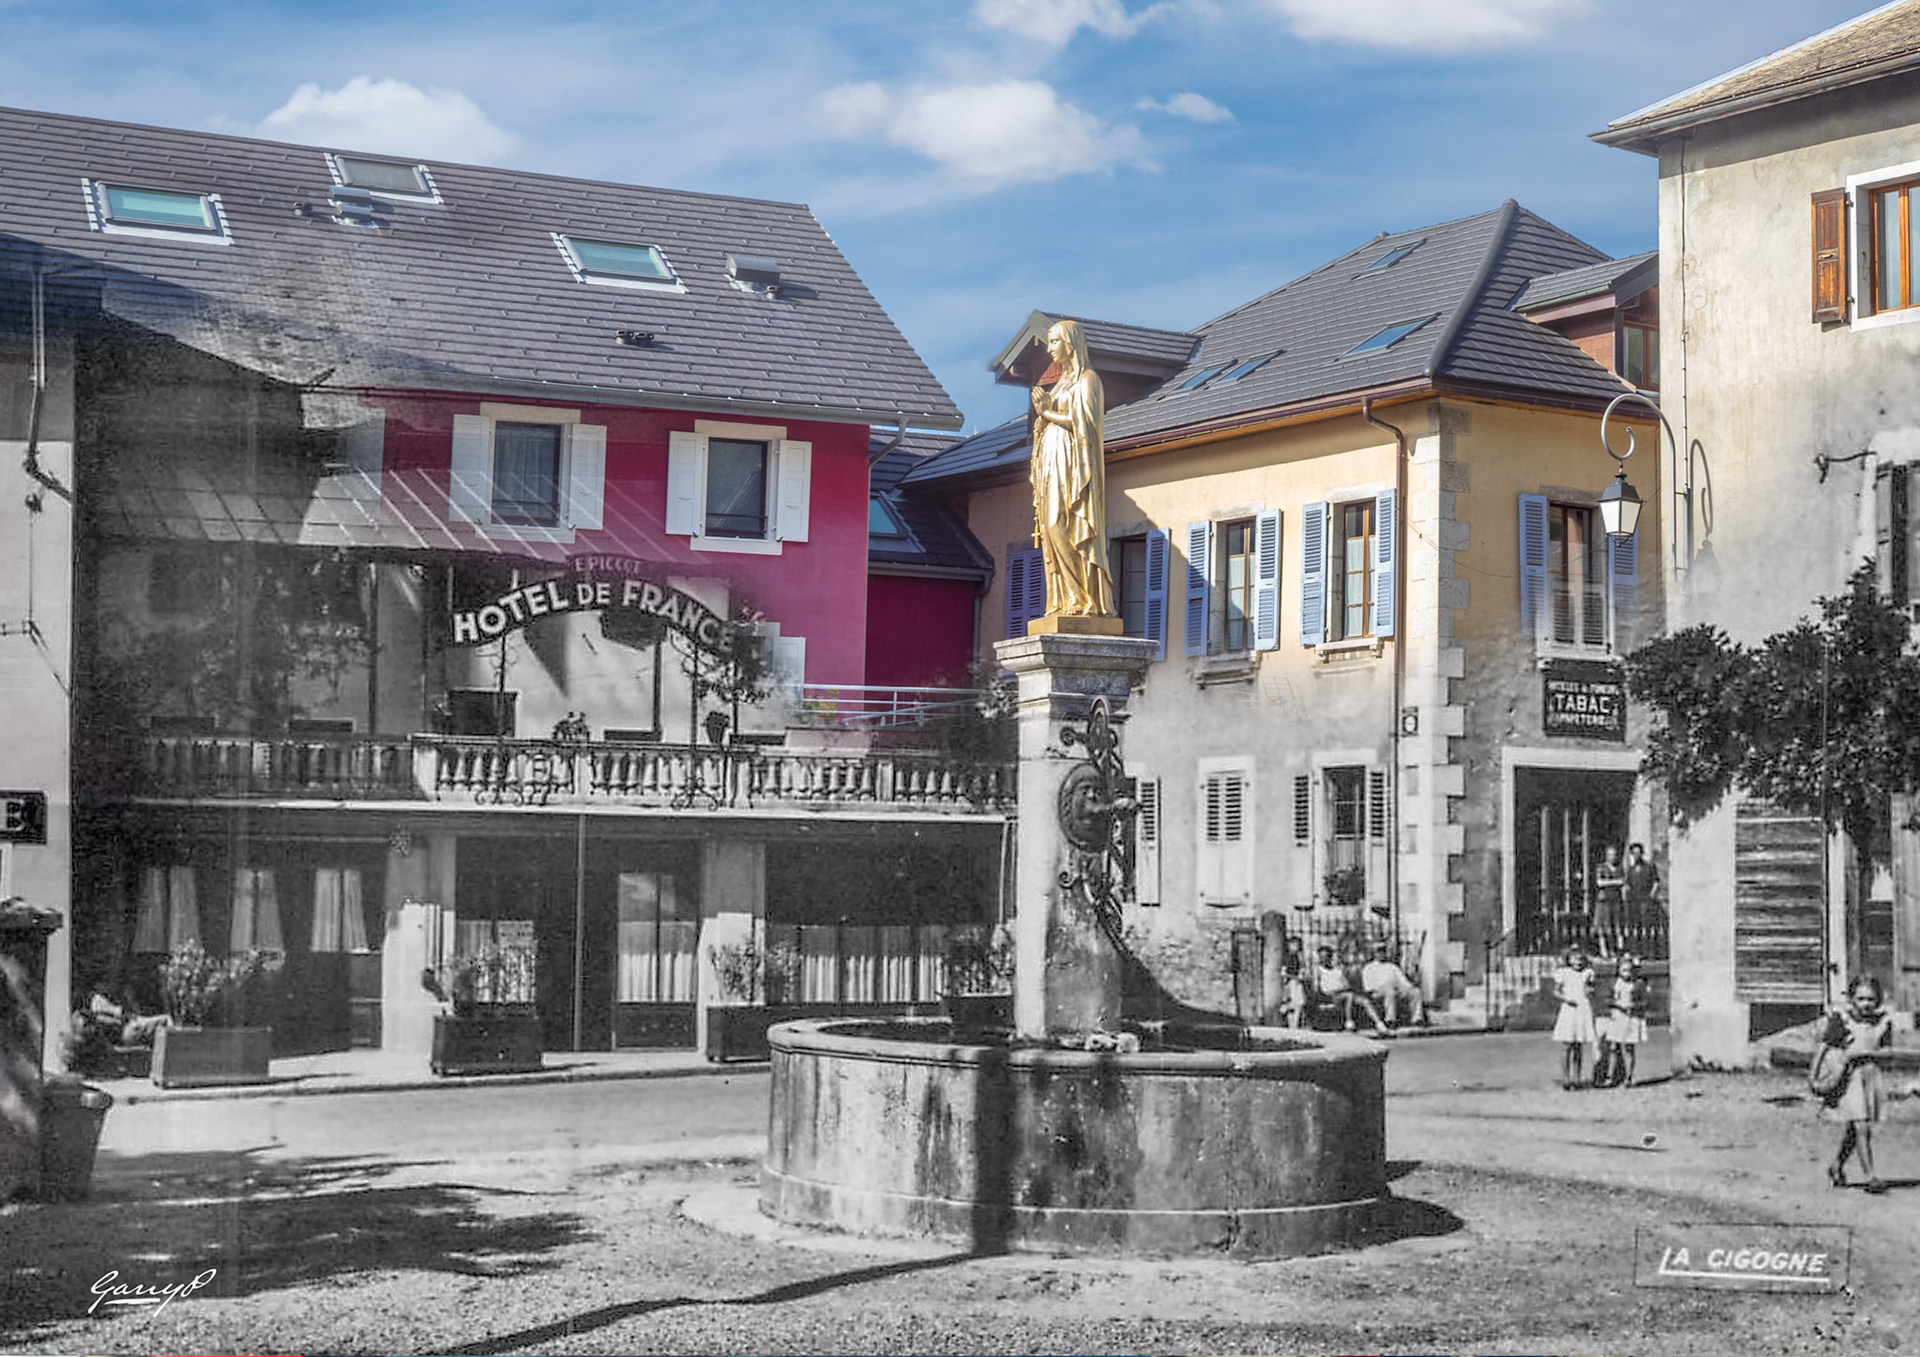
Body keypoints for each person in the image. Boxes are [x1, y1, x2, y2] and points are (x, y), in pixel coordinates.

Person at [1028, 319, 1115, 619]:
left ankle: (1083, 598)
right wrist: (1043, 419)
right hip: (1051, 456)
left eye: (1054, 342)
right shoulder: (1062, 382)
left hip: (1072, 460)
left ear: (1071, 342)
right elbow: (1050, 420)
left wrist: (1047, 411)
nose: (1050, 348)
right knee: (1050, 529)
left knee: (1060, 522)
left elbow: (1086, 427)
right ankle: (1065, 600)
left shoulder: (1088, 379)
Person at [1823, 975, 1895, 1192]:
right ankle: (1870, 1176)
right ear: (1851, 999)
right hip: (1849, 1077)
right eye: (1861, 998)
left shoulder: (1882, 1023)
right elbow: (1825, 1047)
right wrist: (1817, 1076)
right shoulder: (1842, 1020)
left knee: (1856, 1130)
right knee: (1861, 1126)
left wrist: (1873, 1053)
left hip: (1870, 1076)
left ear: (1878, 1001)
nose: (1866, 1004)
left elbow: (1887, 1051)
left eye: (1871, 1000)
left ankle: (1836, 1165)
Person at [1551, 945, 1599, 1089]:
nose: (1578, 962)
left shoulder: (1587, 973)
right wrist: (1566, 999)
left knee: (1578, 1045)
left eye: (1580, 960)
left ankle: (1576, 1078)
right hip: (1569, 1009)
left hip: (1582, 1009)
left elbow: (1592, 990)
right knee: (1567, 1045)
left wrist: (1590, 989)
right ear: (1569, 960)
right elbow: (1556, 992)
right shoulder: (1563, 973)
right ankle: (1566, 1078)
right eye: (1574, 959)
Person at [1314, 946, 1388, 1035]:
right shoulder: (1318, 970)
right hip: (1330, 996)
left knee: (1364, 1001)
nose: (1324, 960)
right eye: (1322, 957)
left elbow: (1346, 984)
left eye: (1327, 957)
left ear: (1330, 957)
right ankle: (1349, 1021)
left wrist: (1342, 987)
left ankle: (1379, 1024)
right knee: (1349, 996)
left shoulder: (1337, 970)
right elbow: (1320, 988)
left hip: (1343, 993)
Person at [1603, 953, 1651, 1088]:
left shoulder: (1638, 984)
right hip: (1617, 1017)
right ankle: (1610, 1077)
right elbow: (1606, 999)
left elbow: (1645, 1002)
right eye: (1623, 970)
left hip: (1631, 1018)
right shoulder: (1614, 983)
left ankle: (1629, 1077)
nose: (1626, 973)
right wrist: (1616, 1004)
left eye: (1629, 970)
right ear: (1618, 970)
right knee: (1613, 1047)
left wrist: (1634, 1006)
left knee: (1628, 1048)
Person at [1361, 943, 1424, 1030]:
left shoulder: (1392, 967)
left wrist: (1410, 987)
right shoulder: (1369, 968)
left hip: (1395, 990)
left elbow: (1403, 980)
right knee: (1390, 991)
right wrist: (1382, 988)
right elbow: (1368, 987)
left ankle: (1417, 1019)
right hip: (1377, 992)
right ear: (1374, 954)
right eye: (1378, 952)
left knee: (1415, 992)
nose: (1381, 954)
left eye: (1383, 952)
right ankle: (1390, 1020)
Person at [1623, 842, 1661, 947]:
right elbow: (1627, 883)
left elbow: (1656, 881)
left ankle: (1649, 948)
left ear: (1642, 854)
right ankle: (1638, 948)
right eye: (1634, 853)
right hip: (1634, 900)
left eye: (1638, 853)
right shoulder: (1631, 869)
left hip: (1646, 899)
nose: (1636, 855)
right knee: (1637, 925)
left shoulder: (1649, 867)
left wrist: (1652, 893)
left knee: (1647, 925)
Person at [1592, 845, 1625, 959]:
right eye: (1610, 855)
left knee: (1617, 925)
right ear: (1606, 856)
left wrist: (1610, 882)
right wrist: (1615, 882)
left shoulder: (1620, 868)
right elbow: (1600, 883)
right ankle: (1605, 949)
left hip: (1616, 900)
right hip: (1604, 900)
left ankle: (1616, 949)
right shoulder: (1601, 868)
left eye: (1615, 855)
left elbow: (1623, 881)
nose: (1613, 857)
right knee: (1605, 926)